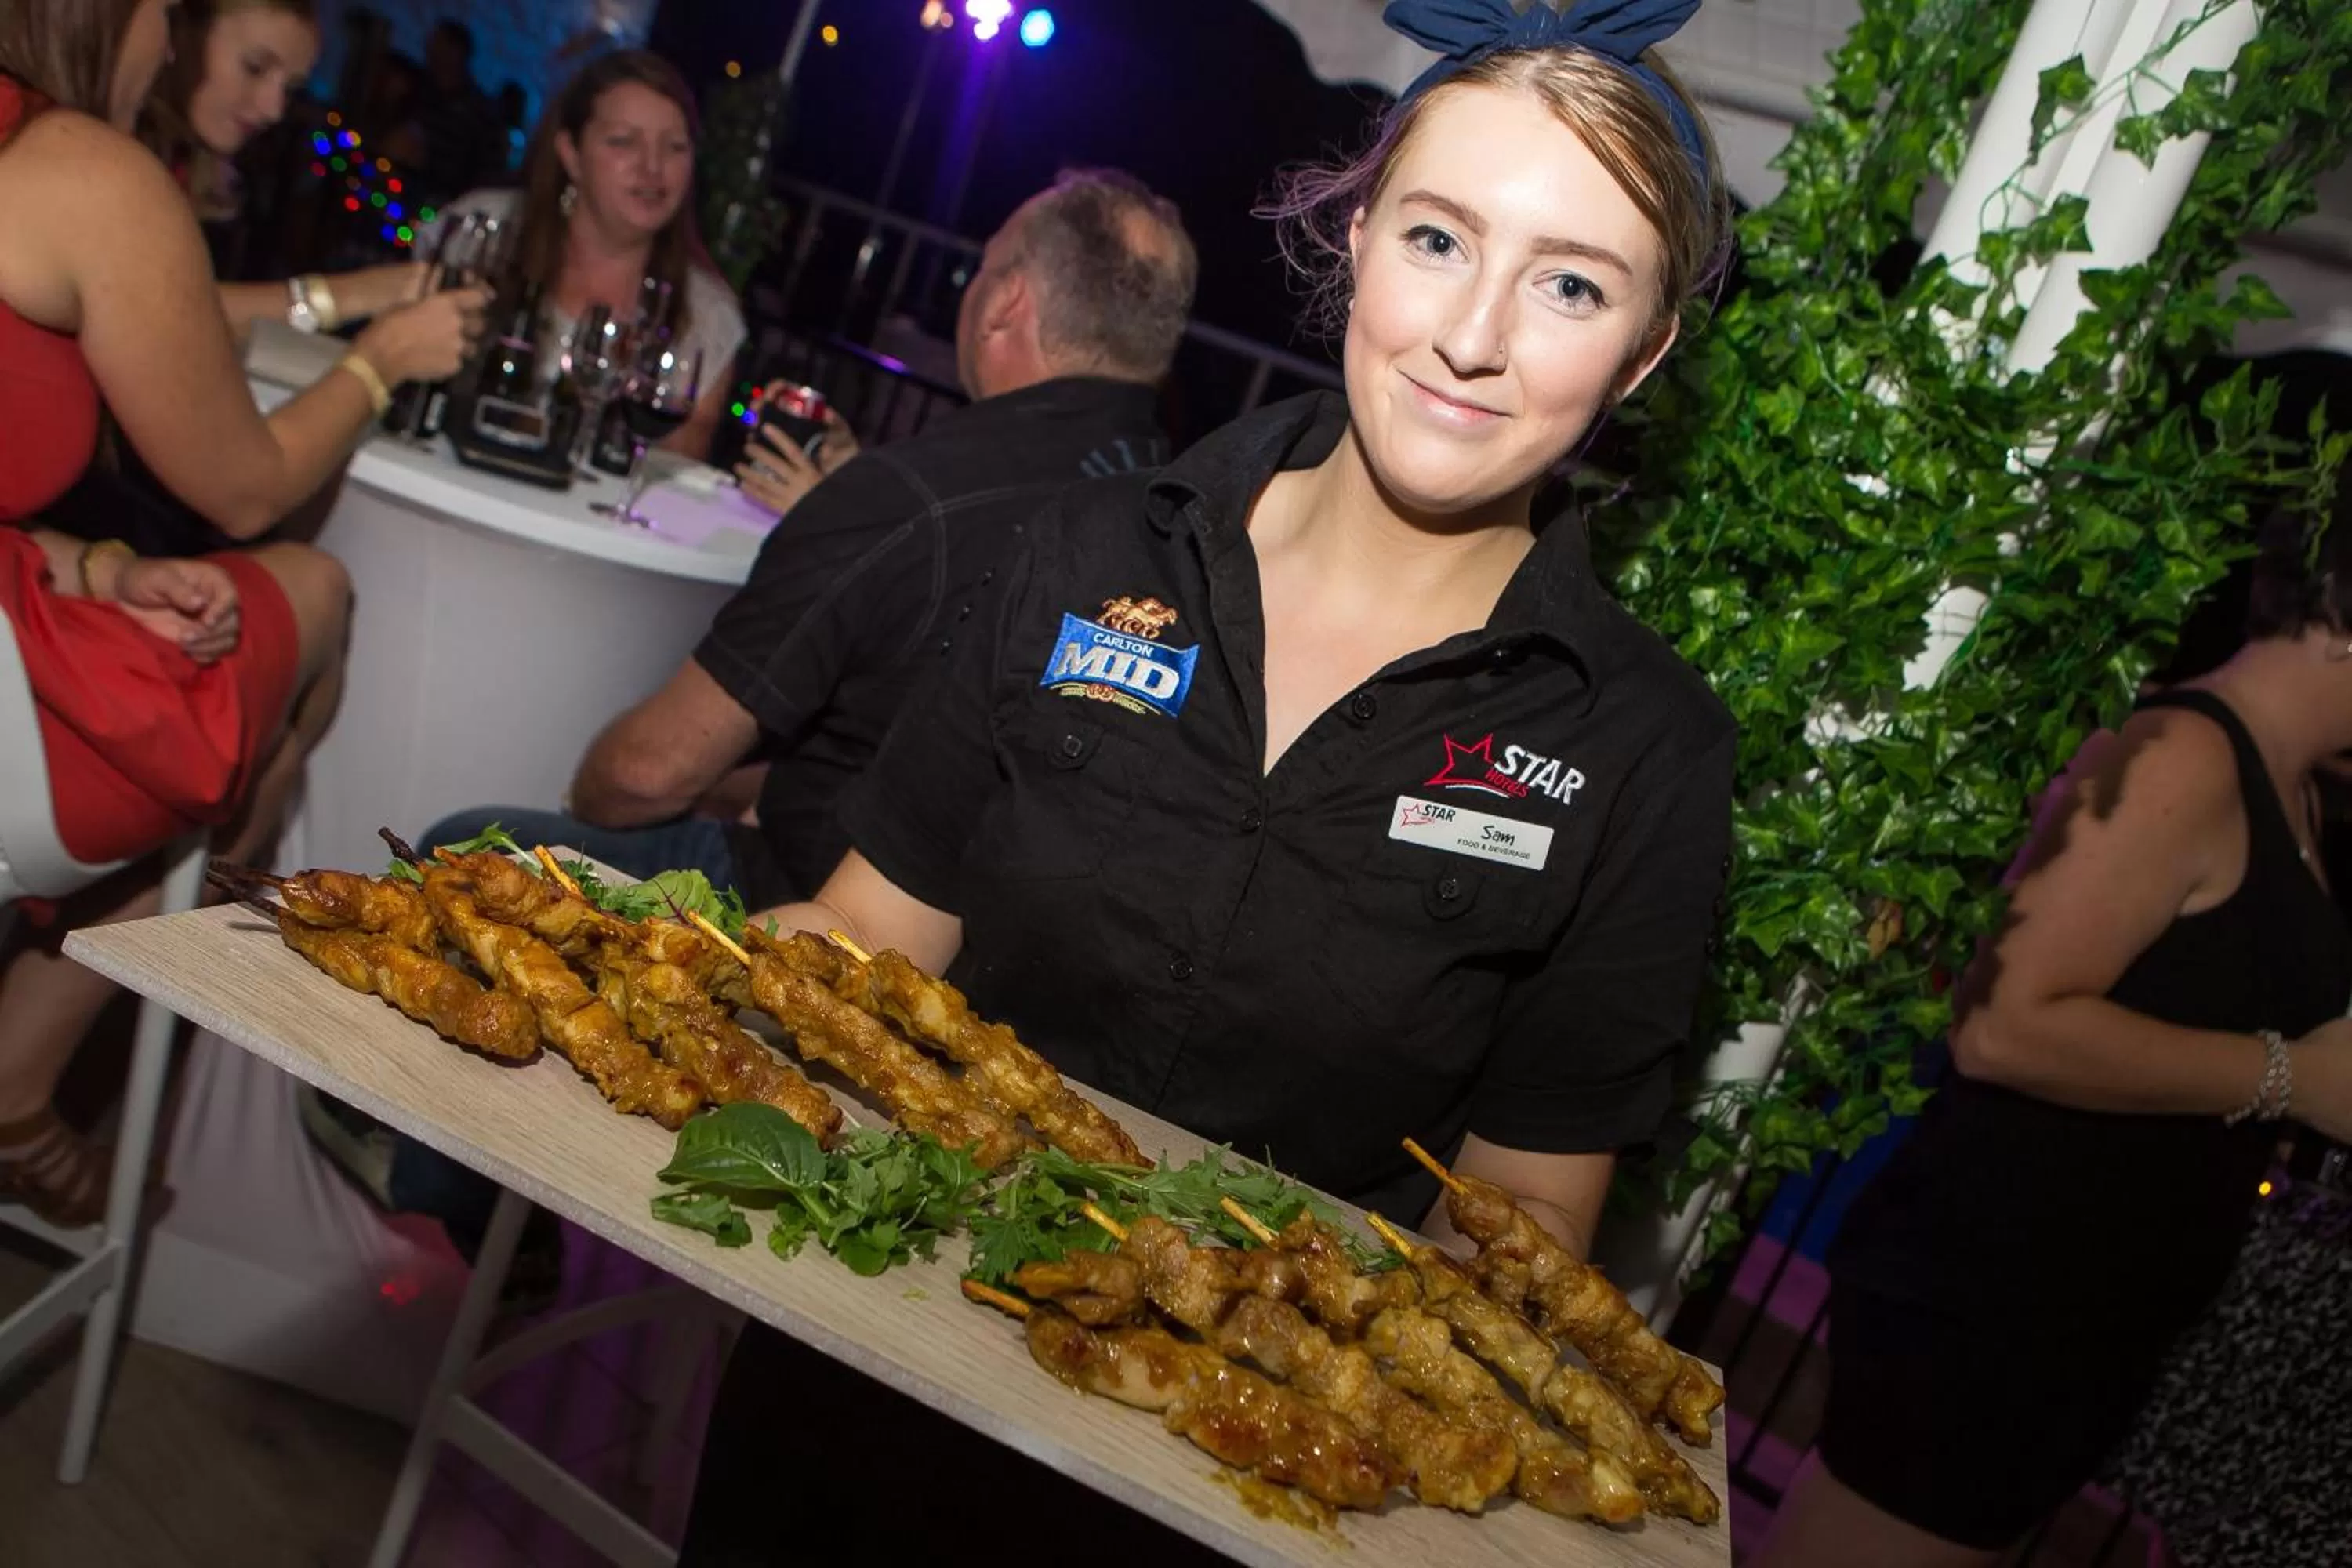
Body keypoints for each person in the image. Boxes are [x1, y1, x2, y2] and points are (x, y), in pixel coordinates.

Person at [677, 0, 1735, 1559]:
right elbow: (872, 933)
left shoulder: (1642, 751)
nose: (1474, 335)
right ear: (1361, 236)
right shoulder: (1082, 552)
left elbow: (1521, 1221)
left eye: (1569, 284)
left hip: (1238, 1471)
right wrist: (703, 970)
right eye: (1440, 240)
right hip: (878, 1352)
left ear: (1641, 353)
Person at [356, 169, 1196, 1270]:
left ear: (1007, 305)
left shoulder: (913, 494)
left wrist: (630, 781)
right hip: (1031, 1009)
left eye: (982, 267)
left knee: (467, 849)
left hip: (828, 930)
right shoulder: (1194, 528)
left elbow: (643, 777)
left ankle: (465, 1236)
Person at [1751, 499, 2352, 1567]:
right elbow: (2003, 1024)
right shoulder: (2184, 756)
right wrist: (2288, 1077)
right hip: (1990, 1303)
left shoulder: (2295, 795)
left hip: (2075, 1320)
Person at [0, 0, 480, 1226]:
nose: (167, 46)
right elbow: (248, 482)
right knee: (309, 596)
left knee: (196, 627)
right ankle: (25, 1070)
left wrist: (99, 569)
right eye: (178, 15)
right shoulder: (87, 168)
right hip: (16, 762)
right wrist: (385, 362)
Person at [45, 0, 458, 561]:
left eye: (289, 87)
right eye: (255, 67)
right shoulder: (107, 163)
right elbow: (173, 319)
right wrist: (378, 342)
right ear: (181, 32)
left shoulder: (194, 164)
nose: (271, 107)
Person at [429, 50, 742, 460]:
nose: (653, 167)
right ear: (570, 154)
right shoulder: (484, 232)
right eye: (624, 142)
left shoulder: (705, 313)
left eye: (674, 147)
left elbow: (668, 482)